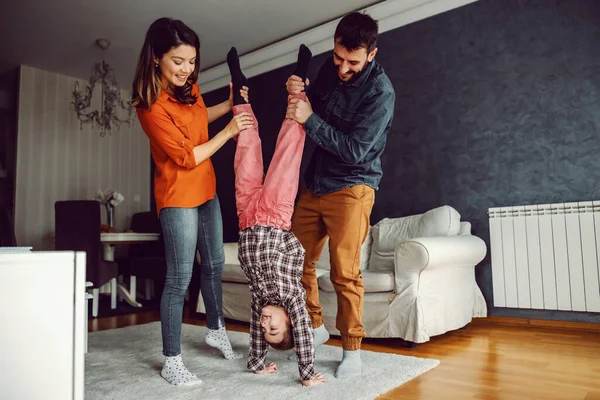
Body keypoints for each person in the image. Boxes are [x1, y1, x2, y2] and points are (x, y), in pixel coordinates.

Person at [132, 17, 255, 387]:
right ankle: (172, 360)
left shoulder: (190, 89)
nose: (187, 69)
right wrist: (231, 130)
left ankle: (216, 329)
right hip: (177, 196)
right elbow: (187, 156)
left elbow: (199, 118)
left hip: (206, 190)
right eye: (178, 61)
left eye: (191, 61)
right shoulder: (150, 105)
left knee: (215, 263)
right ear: (156, 58)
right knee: (180, 277)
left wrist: (228, 105)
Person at [284, 11, 396, 378]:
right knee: (295, 264)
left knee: (345, 274)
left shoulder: (381, 93)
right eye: (337, 58)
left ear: (371, 55)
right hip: (315, 184)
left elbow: (352, 150)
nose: (343, 67)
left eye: (353, 61)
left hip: (353, 185)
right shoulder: (331, 71)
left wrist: (309, 118)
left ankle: (352, 350)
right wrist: (298, 91)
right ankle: (315, 328)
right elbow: (312, 100)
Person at [227, 45, 325, 387]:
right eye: (275, 328)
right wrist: (307, 373)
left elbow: (254, 334)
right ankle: (298, 87)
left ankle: (239, 91)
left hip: (245, 215)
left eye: (265, 328)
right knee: (289, 146)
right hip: (275, 213)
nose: (266, 323)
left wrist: (257, 362)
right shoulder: (292, 297)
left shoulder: (259, 301)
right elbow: (303, 334)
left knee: (246, 146)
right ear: (290, 321)